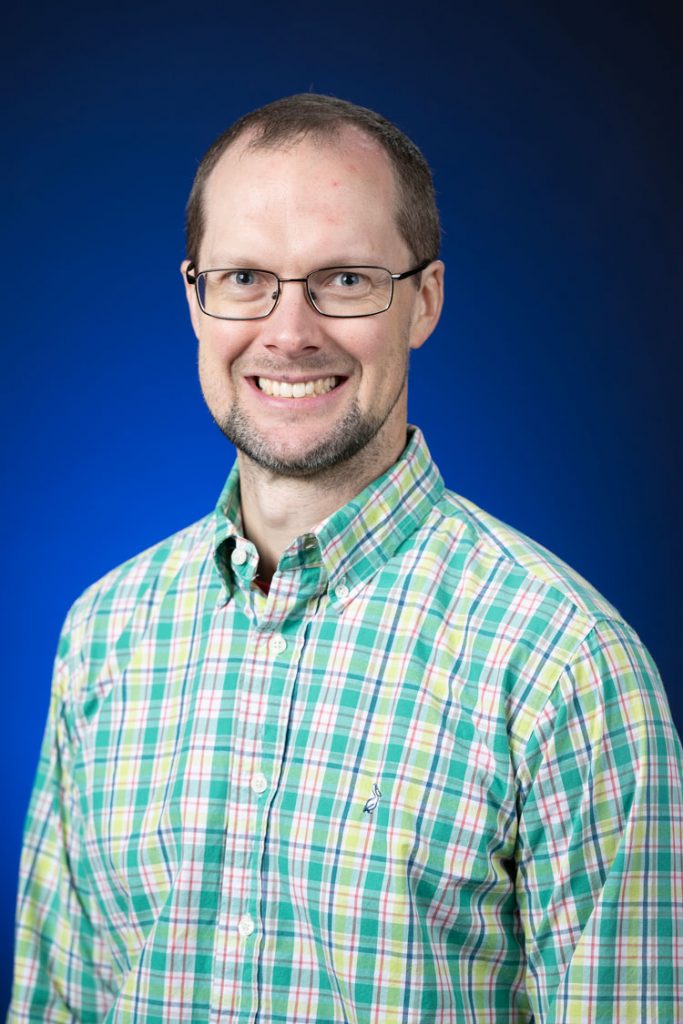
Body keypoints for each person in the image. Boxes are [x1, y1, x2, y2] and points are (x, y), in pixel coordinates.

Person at [8, 93, 683, 1023]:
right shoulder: (106, 634)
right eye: (245, 277)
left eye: (346, 279)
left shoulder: (563, 662)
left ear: (424, 301)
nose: (289, 332)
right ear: (195, 299)